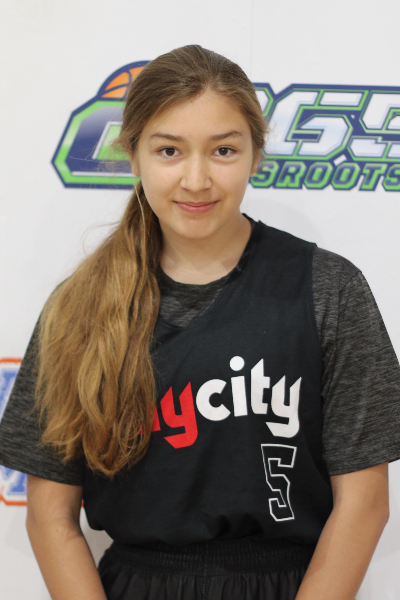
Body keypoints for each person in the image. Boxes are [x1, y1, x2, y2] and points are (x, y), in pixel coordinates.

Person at [1, 44, 400, 600]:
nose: (196, 179)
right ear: (133, 155)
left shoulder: (329, 289)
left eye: (223, 150)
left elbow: (365, 504)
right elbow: (50, 515)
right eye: (169, 150)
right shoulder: (78, 307)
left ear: (255, 155)